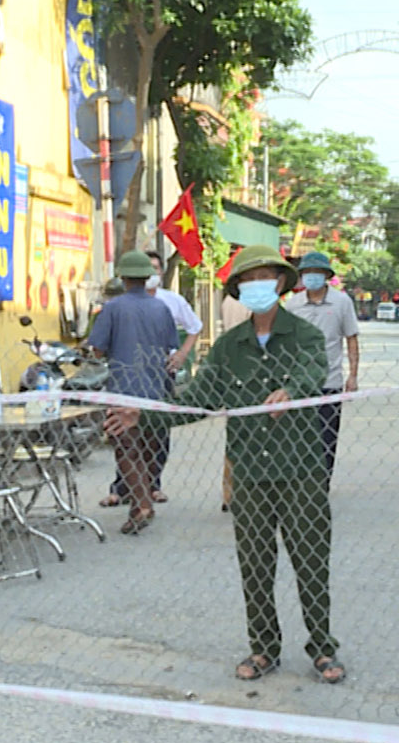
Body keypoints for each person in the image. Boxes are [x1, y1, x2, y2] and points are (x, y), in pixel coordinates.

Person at [105, 245, 345, 684]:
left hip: (302, 470)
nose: (258, 285)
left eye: (267, 277)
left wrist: (291, 391)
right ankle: (263, 647)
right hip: (250, 473)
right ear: (238, 289)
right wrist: (145, 412)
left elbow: (315, 370)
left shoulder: (305, 335)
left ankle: (323, 648)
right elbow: (197, 400)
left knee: (311, 561)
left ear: (281, 283)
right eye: (248, 279)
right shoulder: (230, 347)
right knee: (255, 565)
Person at [103, 249, 206, 507]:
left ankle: (147, 492)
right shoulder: (155, 308)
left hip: (135, 379)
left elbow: (98, 347)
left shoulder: (163, 302)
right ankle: (130, 490)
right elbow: (168, 341)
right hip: (149, 380)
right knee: (138, 435)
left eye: (157, 268)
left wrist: (181, 356)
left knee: (138, 437)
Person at [87, 251, 180, 534]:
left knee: (127, 450)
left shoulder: (112, 309)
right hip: (155, 388)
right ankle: (143, 499)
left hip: (123, 389)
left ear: (123, 277)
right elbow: (170, 345)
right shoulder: (161, 308)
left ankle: (140, 503)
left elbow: (98, 349)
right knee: (150, 450)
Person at [283, 251, 360, 480]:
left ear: (326, 275)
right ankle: (301, 481)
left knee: (327, 436)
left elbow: (351, 338)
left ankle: (322, 482)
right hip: (299, 382)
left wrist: (353, 375)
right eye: (307, 272)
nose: (312, 277)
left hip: (330, 380)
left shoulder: (341, 302)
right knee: (299, 436)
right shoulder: (293, 304)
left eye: (317, 272)